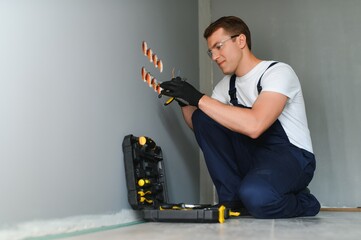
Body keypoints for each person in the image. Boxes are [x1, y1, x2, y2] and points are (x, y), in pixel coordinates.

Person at [160, 16, 320, 218]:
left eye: (219, 47)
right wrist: (184, 101)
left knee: (258, 198)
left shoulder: (277, 72)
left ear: (241, 41)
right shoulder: (226, 86)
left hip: (291, 156)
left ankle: (305, 202)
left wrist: (198, 98)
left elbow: (255, 125)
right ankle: (233, 200)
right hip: (253, 156)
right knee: (203, 116)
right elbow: (202, 126)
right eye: (211, 51)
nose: (215, 56)